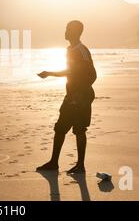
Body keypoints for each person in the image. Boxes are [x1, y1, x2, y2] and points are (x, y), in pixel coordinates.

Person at [36, 20, 97, 173]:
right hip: (72, 96)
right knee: (60, 128)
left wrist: (80, 93)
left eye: (68, 29)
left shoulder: (81, 50)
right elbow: (69, 71)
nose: (65, 31)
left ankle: (80, 165)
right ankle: (54, 162)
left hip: (81, 97)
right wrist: (50, 73)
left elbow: (93, 75)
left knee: (79, 129)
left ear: (76, 32)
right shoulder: (70, 49)